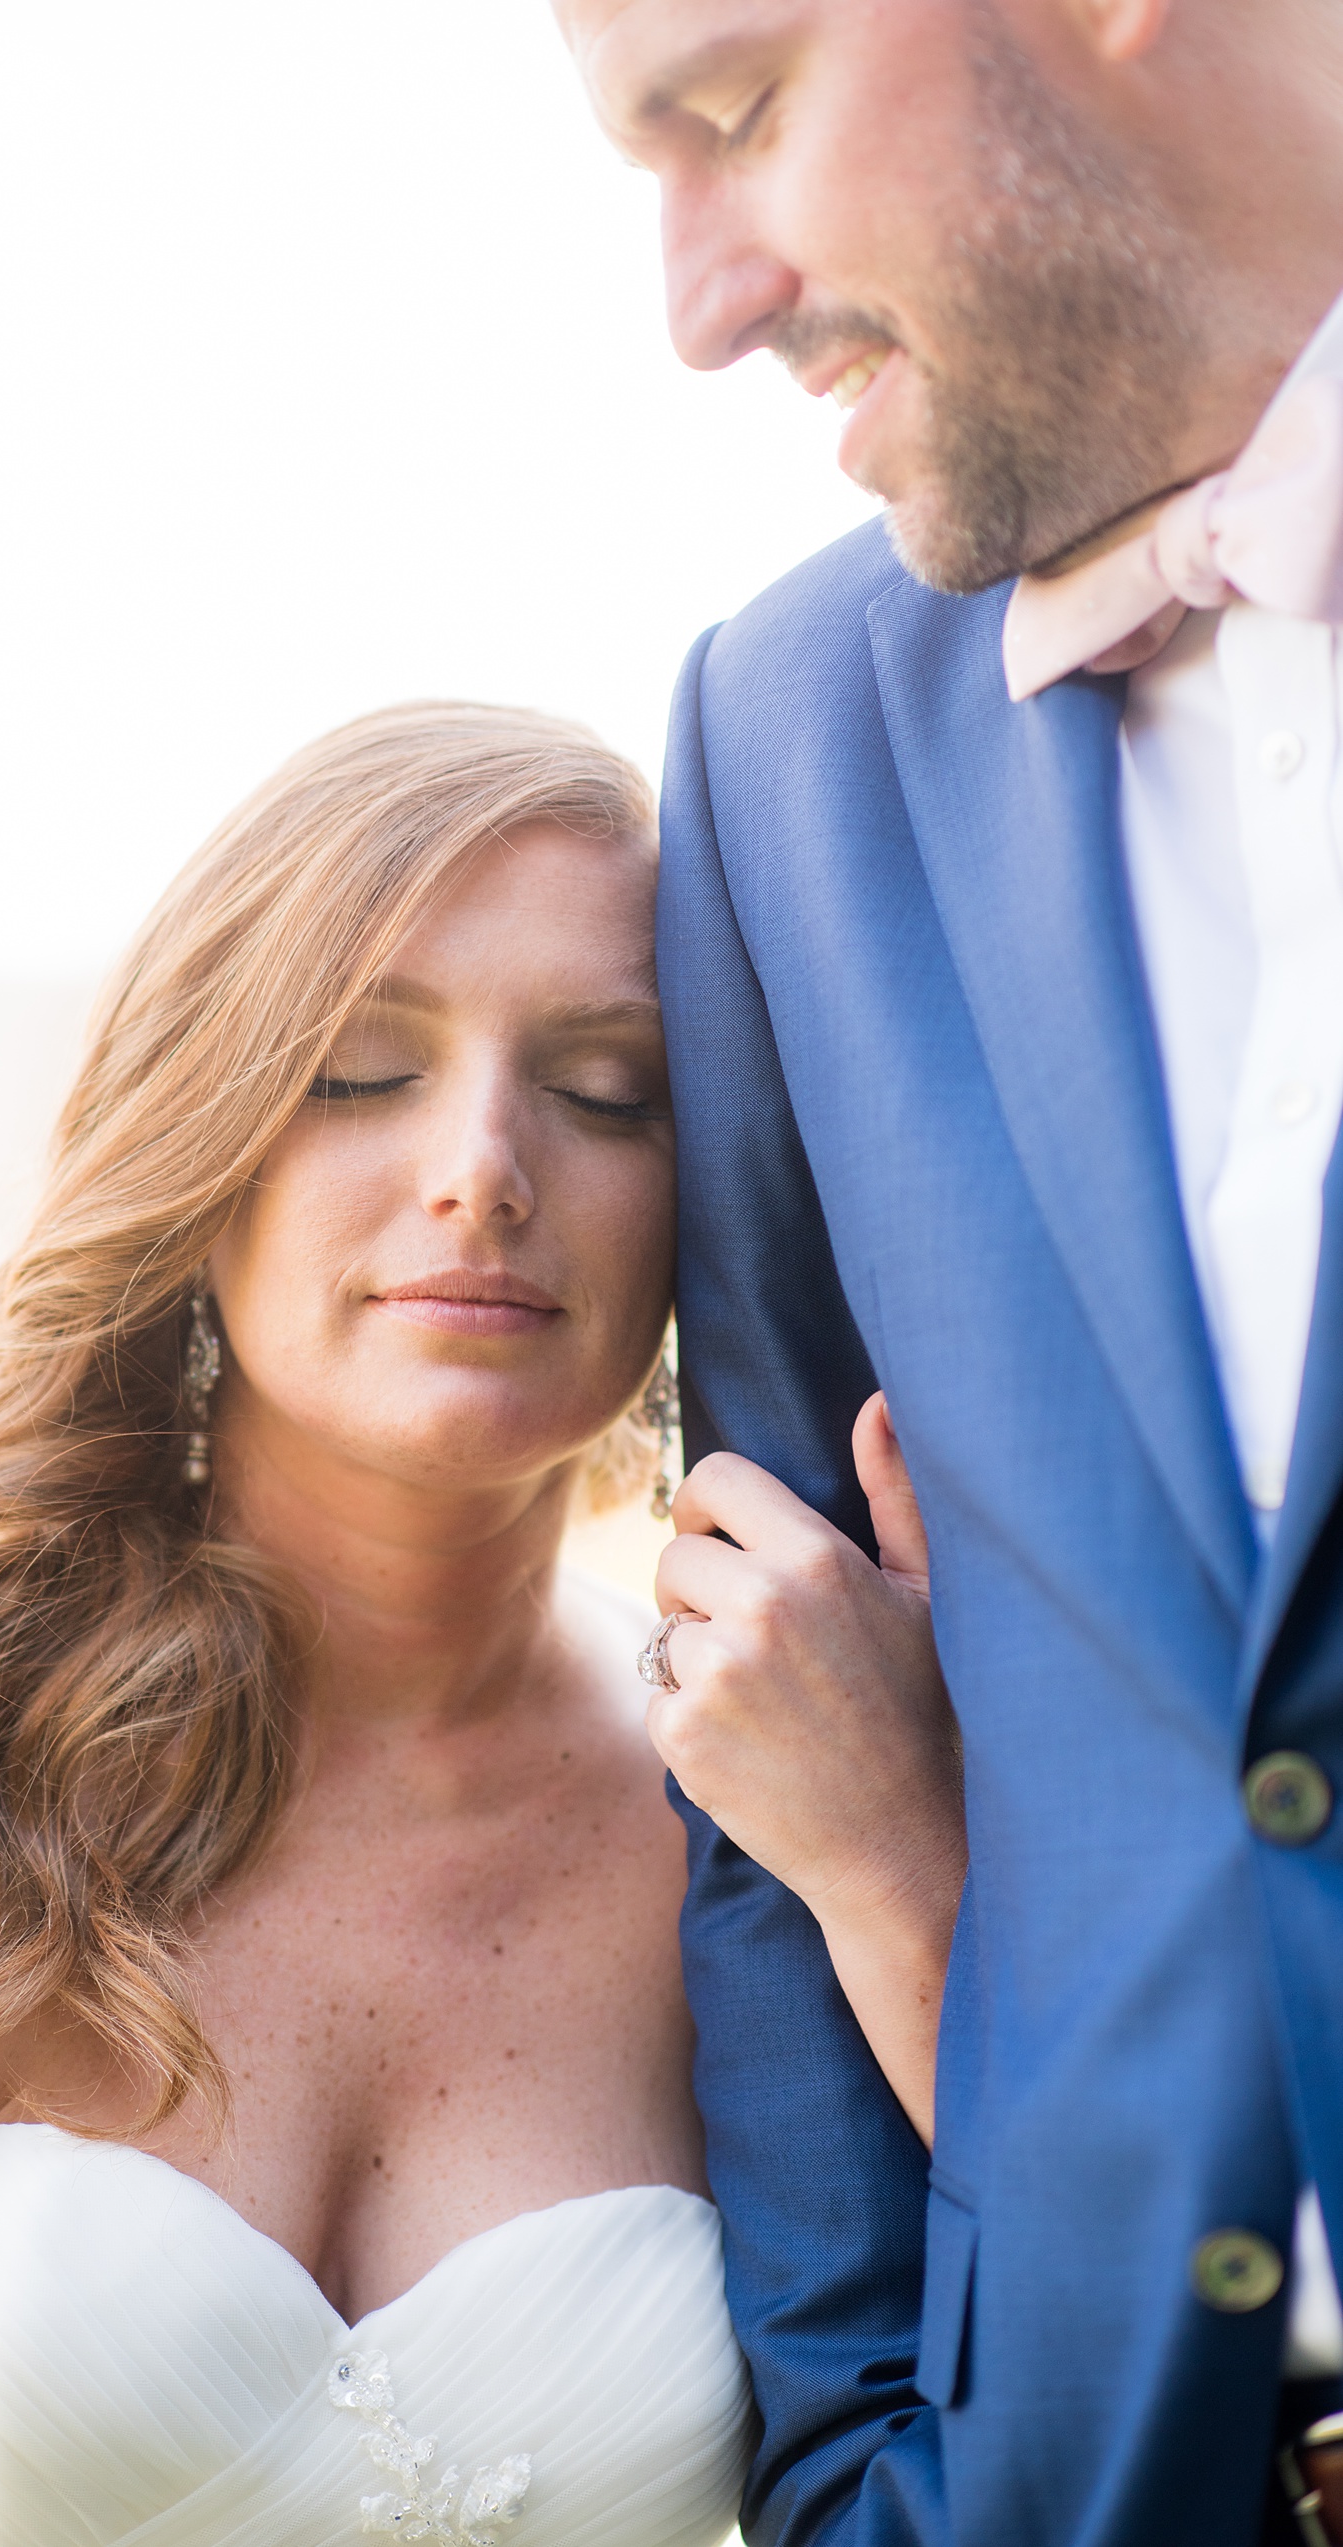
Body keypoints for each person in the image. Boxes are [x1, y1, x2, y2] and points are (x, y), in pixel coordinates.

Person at [0, 701, 960, 2546]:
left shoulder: (772, 1811)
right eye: (360, 1068)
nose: (485, 1166)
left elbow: (1094, 2403)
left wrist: (909, 1875)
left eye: (607, 1092)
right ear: (209, 1146)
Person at [554, 0, 1343, 2540]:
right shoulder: (787, 741)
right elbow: (744, 1644)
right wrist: (877, 2468)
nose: (697, 294)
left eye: (739, 104)